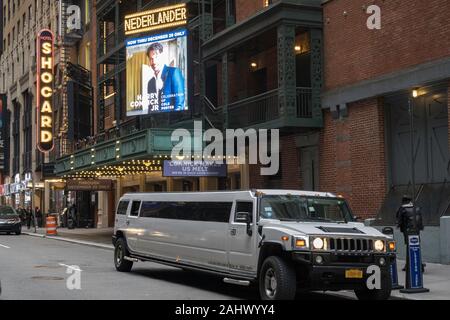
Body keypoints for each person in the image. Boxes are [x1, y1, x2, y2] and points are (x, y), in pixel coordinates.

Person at [146, 42, 185, 113]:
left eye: (156, 57)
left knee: (198, 124)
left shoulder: (174, 72)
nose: (154, 61)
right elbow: (151, 108)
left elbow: (180, 103)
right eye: (151, 59)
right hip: (157, 123)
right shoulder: (150, 82)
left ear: (162, 56)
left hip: (173, 121)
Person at [396, 195, 425, 272]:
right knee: (416, 247)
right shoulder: (416, 208)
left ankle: (409, 265)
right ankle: (419, 264)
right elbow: (420, 220)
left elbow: (399, 220)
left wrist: (398, 225)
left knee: (409, 247)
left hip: (407, 230)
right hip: (416, 230)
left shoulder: (402, 209)